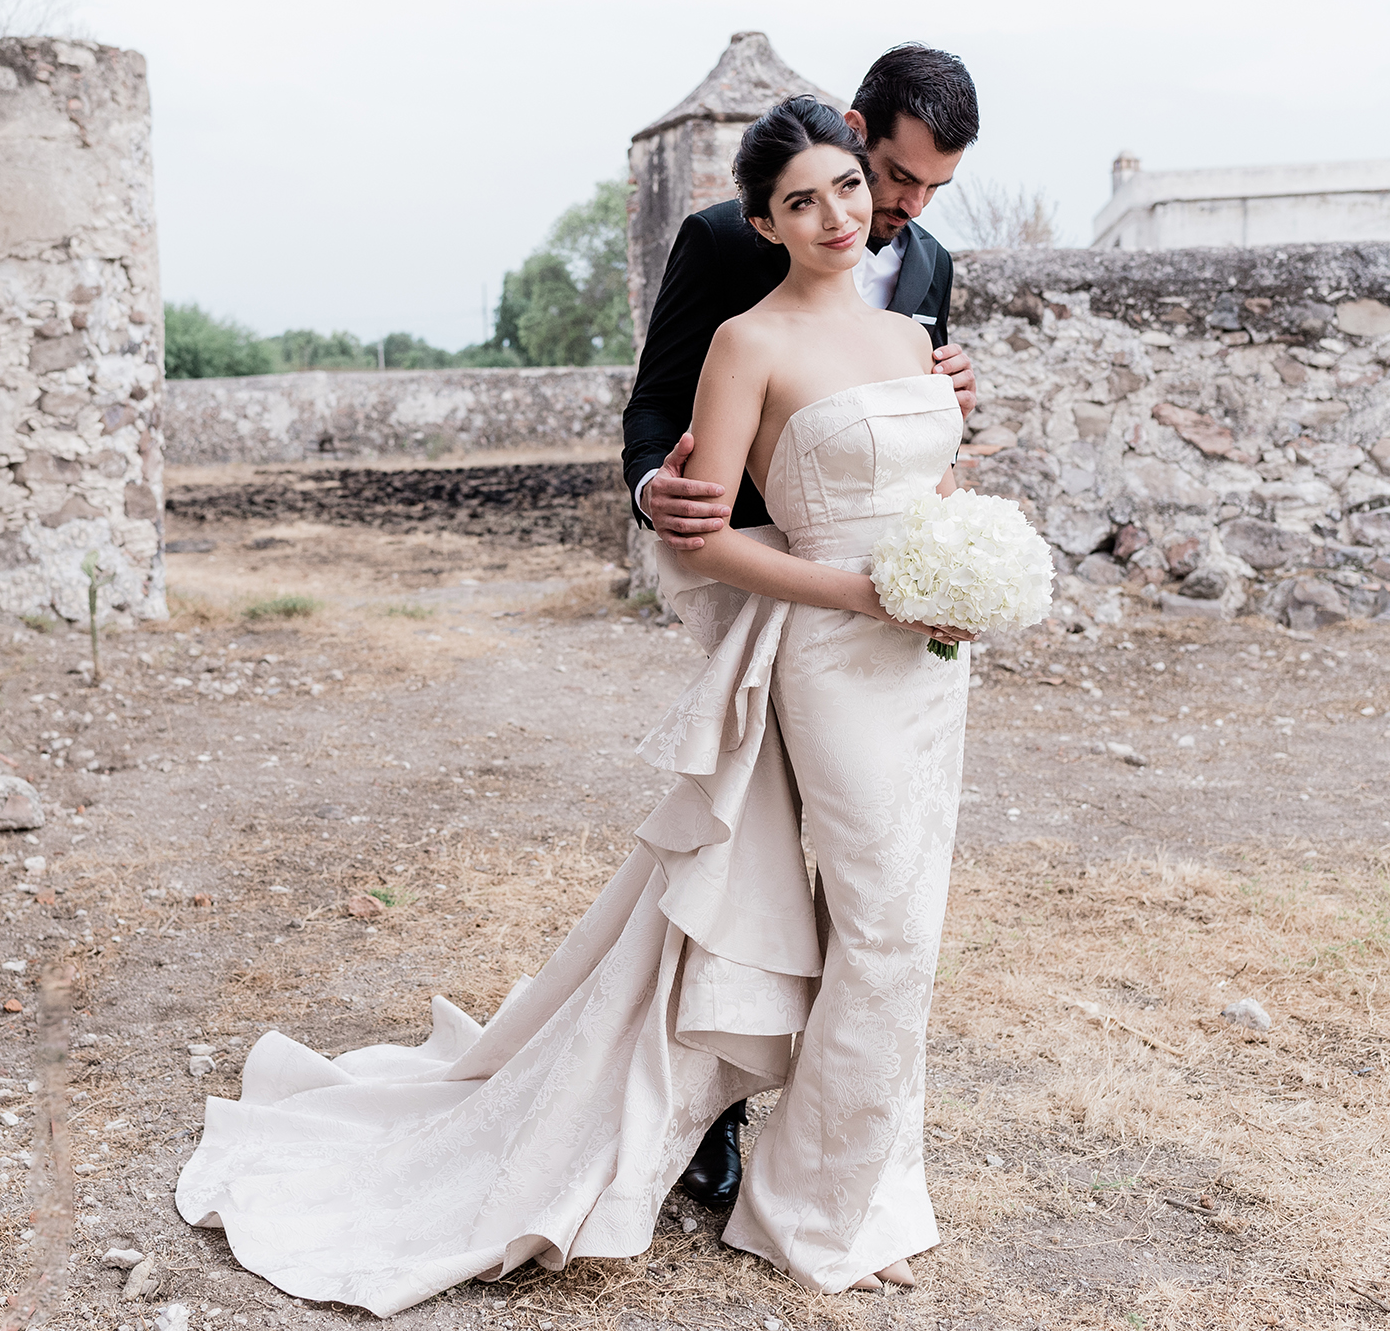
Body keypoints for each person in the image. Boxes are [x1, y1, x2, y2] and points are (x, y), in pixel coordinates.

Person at [172, 93, 973, 1314]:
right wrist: (814, 568)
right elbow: (693, 497)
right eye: (808, 197)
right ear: (766, 217)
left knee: (905, 924)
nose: (851, 211)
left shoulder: (917, 318)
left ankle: (853, 1190)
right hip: (825, 642)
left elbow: (935, 482)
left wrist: (960, 574)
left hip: (925, 663)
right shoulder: (741, 329)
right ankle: (809, 1210)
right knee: (873, 924)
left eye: (854, 193)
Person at [621, 42, 979, 1211]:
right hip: (771, 604)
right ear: (854, 125)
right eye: (892, 174)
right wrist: (651, 493)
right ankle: (712, 1118)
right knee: (749, 870)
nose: (894, 209)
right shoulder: (729, 248)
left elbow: (913, 432)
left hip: (910, 641)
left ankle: (845, 1161)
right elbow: (657, 405)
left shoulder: (924, 266)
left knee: (884, 902)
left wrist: (944, 412)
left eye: (928, 190)